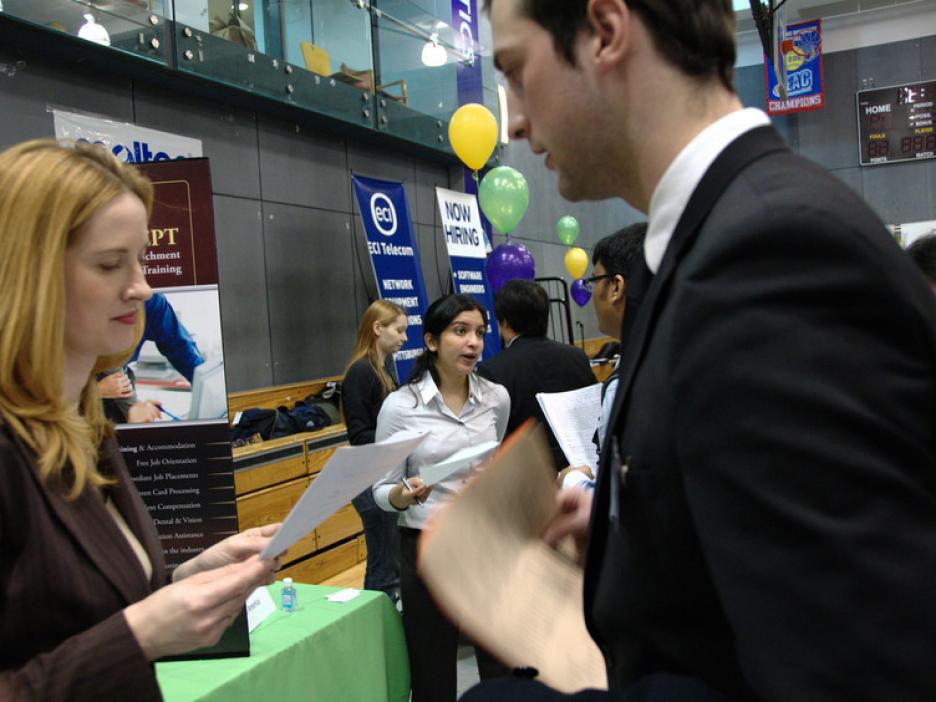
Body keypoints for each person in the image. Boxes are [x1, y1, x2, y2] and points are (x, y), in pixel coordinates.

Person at [464, 0, 936, 700]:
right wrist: (638, 543)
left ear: (605, 30)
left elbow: (857, 670)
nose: (517, 119)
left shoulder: (767, 256)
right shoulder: (722, 240)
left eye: (516, 72)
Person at [0, 139, 280, 701]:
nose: (142, 286)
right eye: (110, 264)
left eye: (142, 260)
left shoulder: (83, 426)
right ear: (28, 273)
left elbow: (87, 614)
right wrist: (142, 634)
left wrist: (187, 579)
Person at [373, 294, 511, 702]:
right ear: (431, 341)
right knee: (432, 669)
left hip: (485, 540)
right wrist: (402, 495)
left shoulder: (496, 398)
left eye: (480, 333)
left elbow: (494, 458)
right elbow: (381, 490)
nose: (474, 343)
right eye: (461, 331)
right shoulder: (401, 407)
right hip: (426, 545)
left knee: (500, 661)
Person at [560, 223, 647, 490]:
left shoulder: (624, 384)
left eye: (593, 280)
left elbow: (618, 501)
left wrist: (573, 481)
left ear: (615, 287)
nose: (591, 291)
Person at [477, 279, 595, 471]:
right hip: (583, 466)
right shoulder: (577, 357)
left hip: (531, 476)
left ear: (504, 322)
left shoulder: (493, 370)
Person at [341, 299, 408, 602]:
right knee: (384, 565)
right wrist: (401, 437)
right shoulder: (360, 373)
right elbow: (359, 435)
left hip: (381, 471)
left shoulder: (383, 371)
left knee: (390, 560)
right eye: (399, 330)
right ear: (378, 328)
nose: (405, 338)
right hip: (367, 476)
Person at [97, 292, 206, 424]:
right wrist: (98, 390)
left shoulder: (152, 301)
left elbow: (179, 345)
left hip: (116, 385)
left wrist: (201, 382)